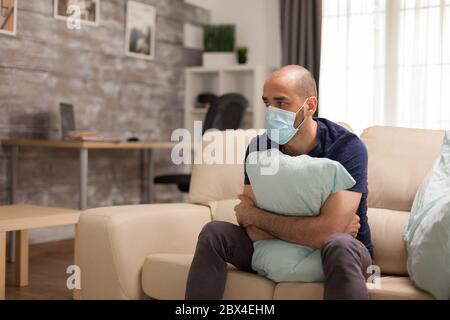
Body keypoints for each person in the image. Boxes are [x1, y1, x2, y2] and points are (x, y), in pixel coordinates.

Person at [185, 65, 373, 300]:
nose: (272, 111)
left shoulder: (347, 148)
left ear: (310, 105)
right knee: (214, 233)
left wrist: (260, 218)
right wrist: (315, 229)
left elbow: (330, 232)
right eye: (267, 103)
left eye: (281, 103)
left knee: (339, 244)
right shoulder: (259, 147)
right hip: (273, 250)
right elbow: (248, 223)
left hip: (338, 255)